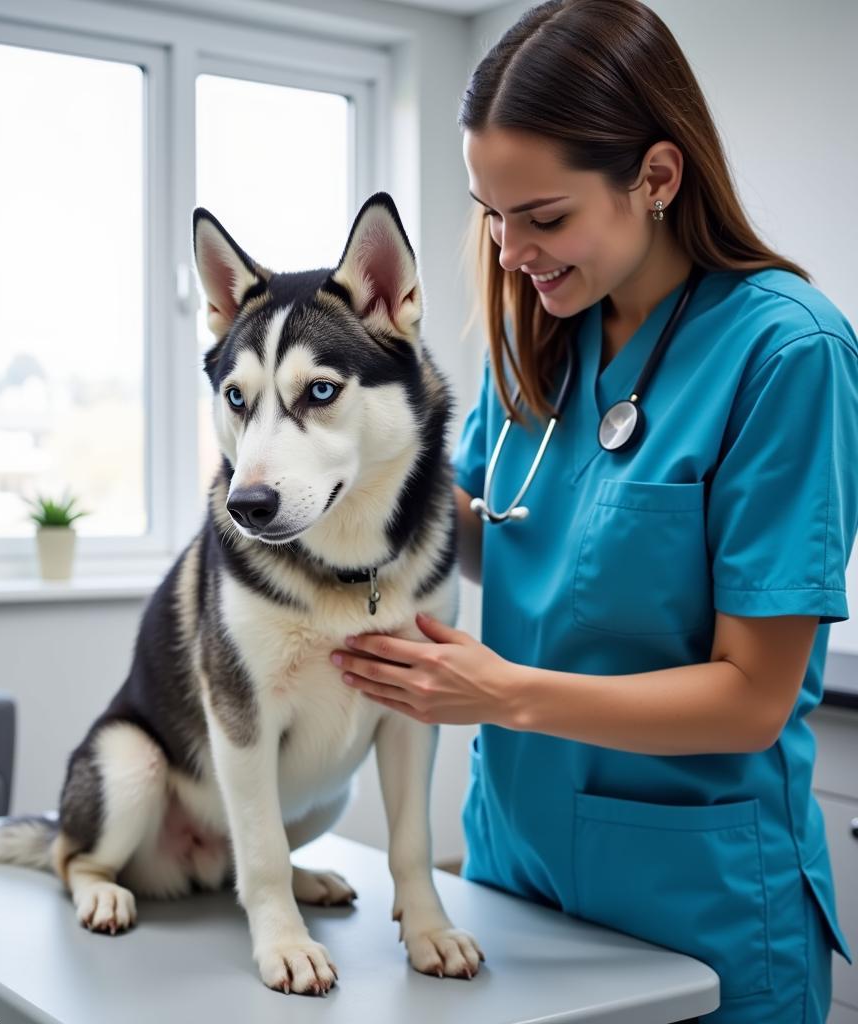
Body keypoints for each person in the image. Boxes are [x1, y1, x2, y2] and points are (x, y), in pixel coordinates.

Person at [327, 1, 858, 1021]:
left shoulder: (787, 353)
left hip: (698, 901)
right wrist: (369, 474)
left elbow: (750, 696)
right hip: (517, 873)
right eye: (491, 212)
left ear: (655, 178)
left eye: (544, 215)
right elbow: (518, 537)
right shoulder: (536, 333)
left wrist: (498, 692)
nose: (509, 247)